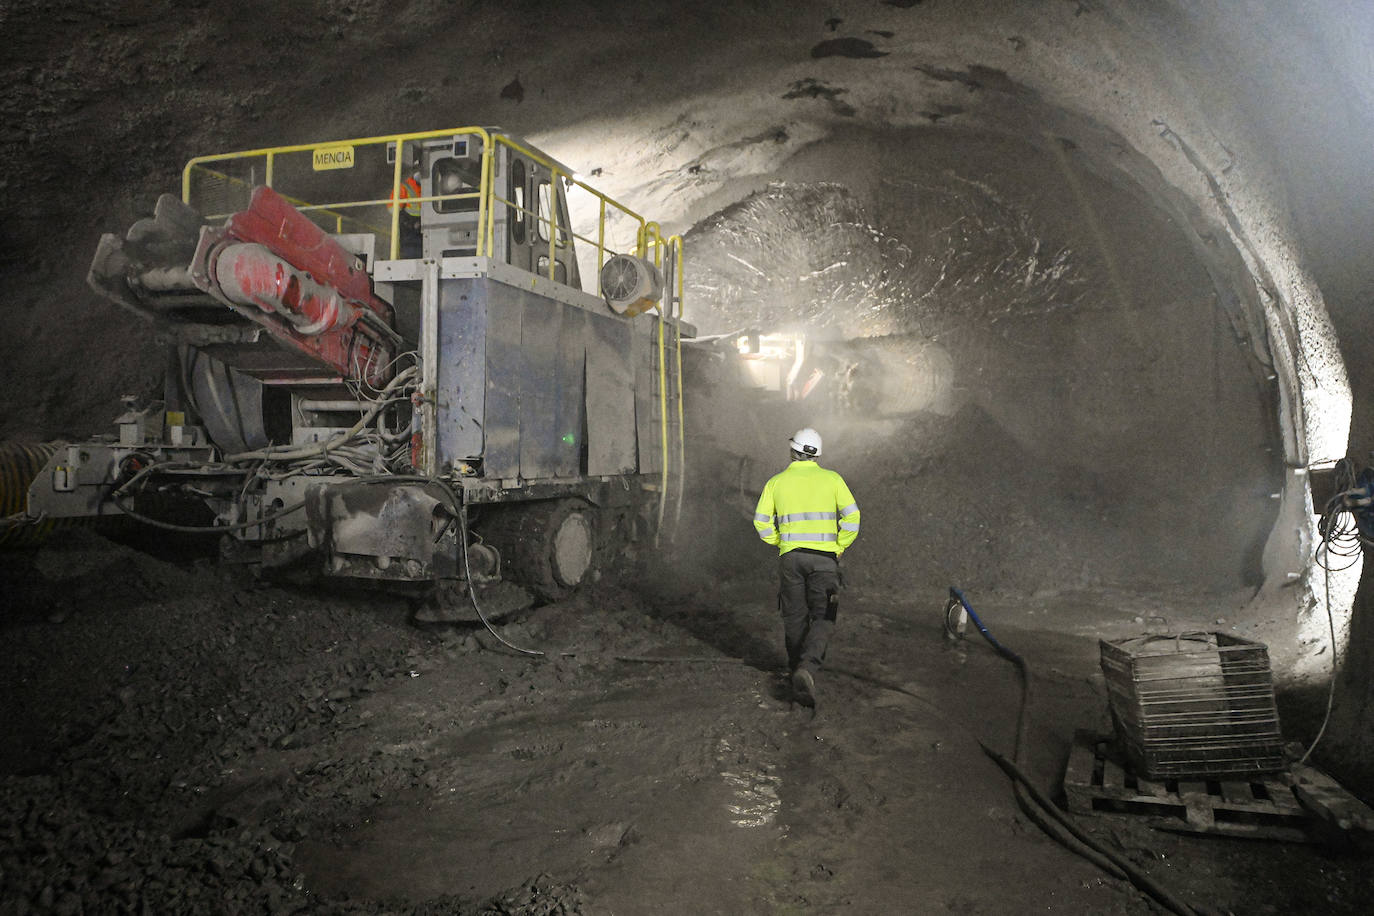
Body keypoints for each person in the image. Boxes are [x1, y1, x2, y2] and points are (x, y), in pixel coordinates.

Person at [752, 427, 860, 708]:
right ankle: (807, 669)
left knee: (795, 617)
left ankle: (794, 671)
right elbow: (852, 517)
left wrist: (781, 542)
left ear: (793, 450)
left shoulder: (776, 482)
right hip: (824, 560)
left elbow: (761, 521)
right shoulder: (833, 480)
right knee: (824, 616)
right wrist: (839, 545)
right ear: (816, 455)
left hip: (791, 559)